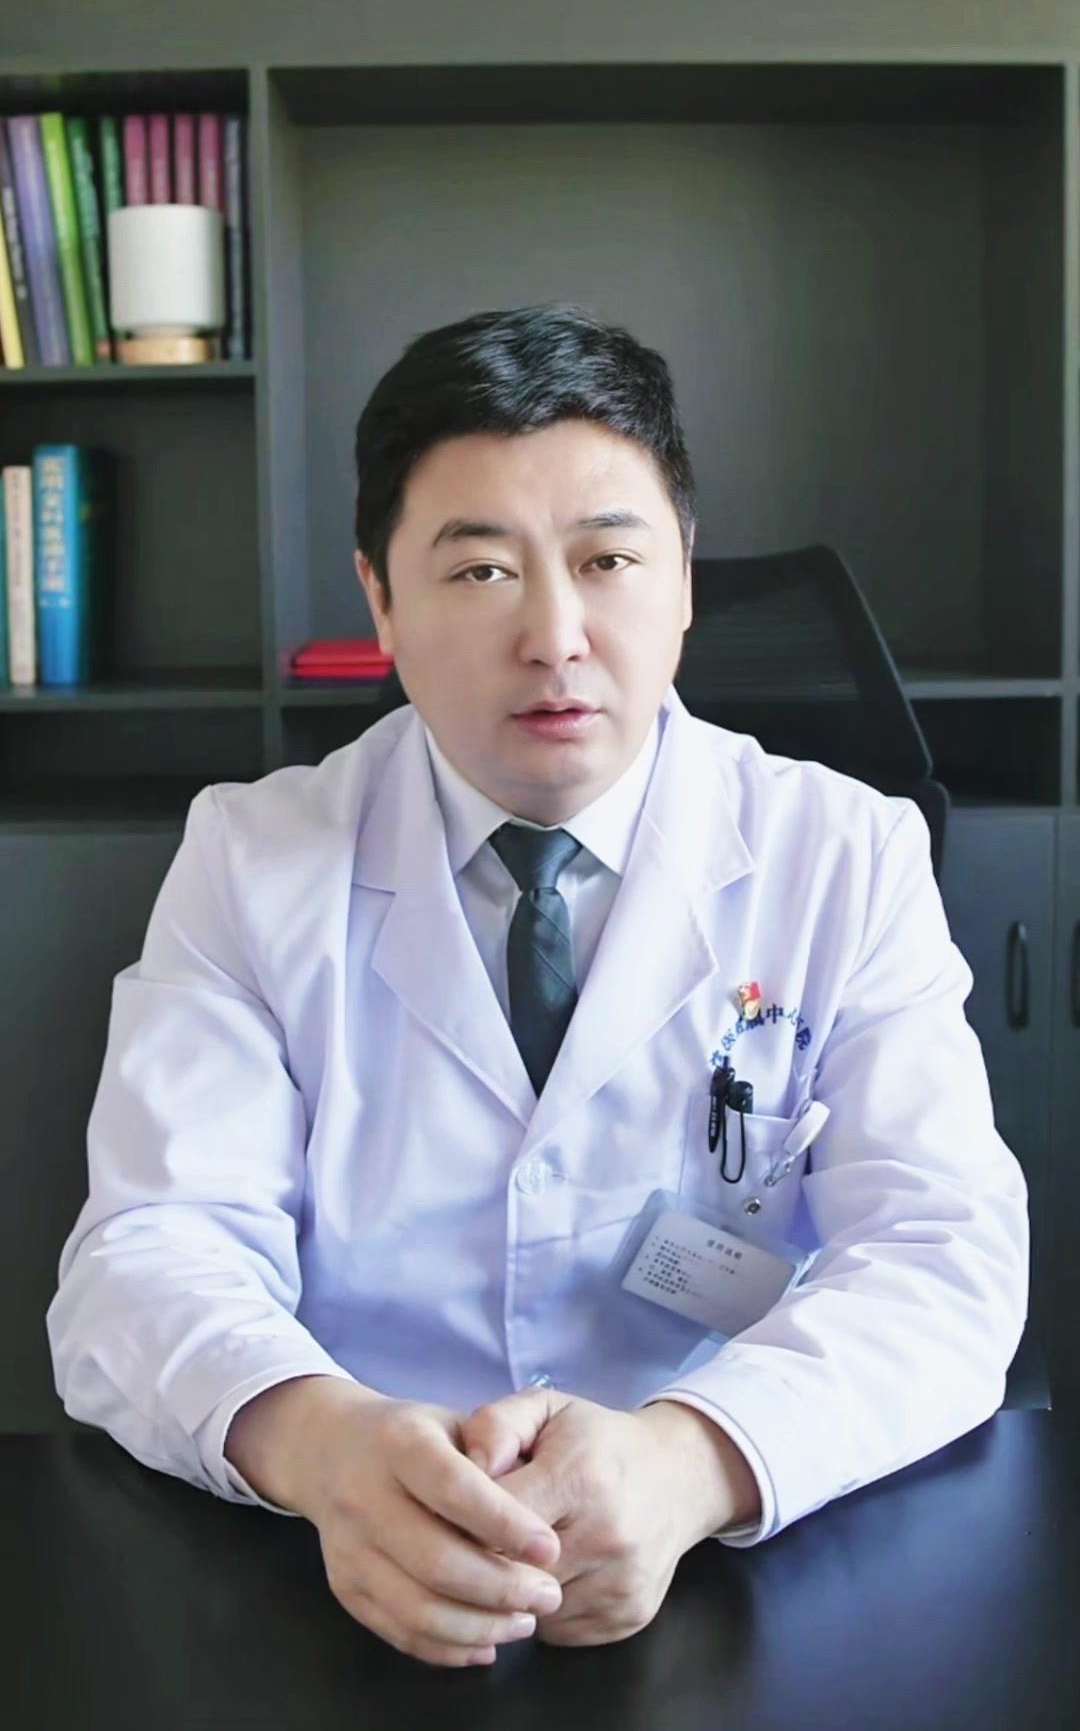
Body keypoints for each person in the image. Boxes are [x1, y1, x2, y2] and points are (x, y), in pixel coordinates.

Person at [46, 302, 1029, 1670]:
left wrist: (690, 1462)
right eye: (481, 570)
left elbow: (942, 1255)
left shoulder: (845, 855)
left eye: (608, 560)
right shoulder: (253, 857)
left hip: (743, 1549)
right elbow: (147, 1250)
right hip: (346, 1552)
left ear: (683, 580)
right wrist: (320, 1443)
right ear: (381, 601)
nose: (555, 636)